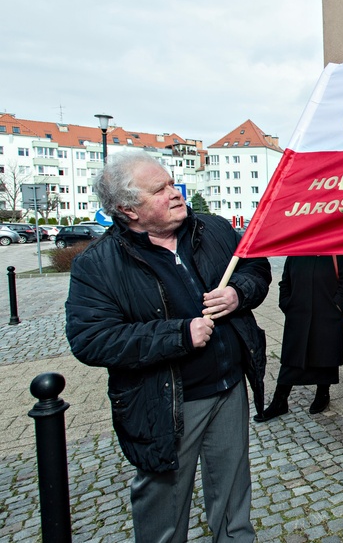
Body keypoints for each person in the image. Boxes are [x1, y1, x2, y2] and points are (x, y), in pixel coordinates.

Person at [65, 149, 271, 543]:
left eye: (172, 182)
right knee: (164, 514)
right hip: (165, 402)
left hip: (229, 388)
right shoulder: (98, 265)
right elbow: (91, 339)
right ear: (128, 210)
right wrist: (177, 335)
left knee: (233, 504)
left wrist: (238, 293)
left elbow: (255, 267)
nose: (175, 193)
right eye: (158, 190)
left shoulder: (212, 229)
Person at [254, 255, 343, 421]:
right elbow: (285, 282)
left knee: (325, 358)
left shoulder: (336, 253)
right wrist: (286, 303)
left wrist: (337, 306)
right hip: (298, 315)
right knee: (291, 359)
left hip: (327, 316)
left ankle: (323, 394)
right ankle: (280, 400)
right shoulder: (296, 253)